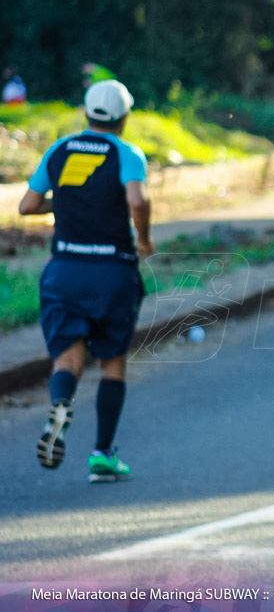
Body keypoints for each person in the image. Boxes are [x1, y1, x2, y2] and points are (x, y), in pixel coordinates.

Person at [18, 80, 152, 483]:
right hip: (112, 271)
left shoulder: (59, 150)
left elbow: (27, 205)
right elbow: (137, 200)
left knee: (67, 356)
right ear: (124, 117)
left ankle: (61, 402)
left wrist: (70, 200)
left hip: (65, 271)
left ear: (85, 112)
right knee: (112, 360)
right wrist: (144, 238)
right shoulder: (126, 153)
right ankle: (103, 455)